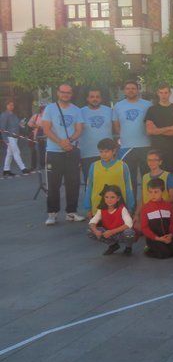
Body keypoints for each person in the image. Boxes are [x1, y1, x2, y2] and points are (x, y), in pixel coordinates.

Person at [42, 83, 85, 225]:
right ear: (58, 93)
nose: (65, 94)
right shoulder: (50, 108)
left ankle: (71, 213)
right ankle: (52, 214)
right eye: (63, 92)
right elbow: (46, 129)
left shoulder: (77, 110)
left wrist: (69, 141)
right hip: (54, 152)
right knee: (53, 184)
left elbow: (79, 129)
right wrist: (61, 142)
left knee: (73, 183)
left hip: (72, 151)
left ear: (71, 94)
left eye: (68, 92)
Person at [112, 80, 152, 193]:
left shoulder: (147, 105)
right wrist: (126, 136)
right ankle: (132, 206)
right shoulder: (118, 106)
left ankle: (146, 207)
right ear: (124, 90)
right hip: (127, 147)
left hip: (145, 146)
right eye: (128, 88)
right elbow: (116, 126)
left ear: (138, 90)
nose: (131, 90)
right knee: (129, 180)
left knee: (147, 178)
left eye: (133, 88)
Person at [139, 177, 173, 259]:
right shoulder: (145, 208)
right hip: (154, 238)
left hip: (167, 236)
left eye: (156, 192)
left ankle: (165, 246)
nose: (153, 194)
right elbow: (144, 228)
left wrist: (171, 235)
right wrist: (157, 238)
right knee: (164, 254)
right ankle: (148, 249)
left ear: (162, 192)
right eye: (150, 192)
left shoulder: (168, 206)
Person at [87, 184, 135, 255]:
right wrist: (96, 231)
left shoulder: (122, 209)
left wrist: (112, 232)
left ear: (118, 198)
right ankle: (113, 245)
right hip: (108, 234)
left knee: (129, 232)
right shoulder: (101, 209)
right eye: (106, 197)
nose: (109, 200)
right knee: (90, 231)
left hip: (120, 233)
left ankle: (128, 247)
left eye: (112, 197)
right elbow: (92, 222)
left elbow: (129, 224)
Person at [145, 84, 173, 174]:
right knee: (158, 181)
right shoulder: (151, 110)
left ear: (170, 93)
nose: (163, 95)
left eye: (166, 92)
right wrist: (171, 128)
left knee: (172, 180)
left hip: (172, 150)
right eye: (161, 93)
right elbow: (149, 131)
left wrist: (157, 130)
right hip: (157, 151)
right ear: (158, 94)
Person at [78, 89, 112, 181]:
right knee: (90, 184)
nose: (95, 99)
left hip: (107, 154)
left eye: (97, 97)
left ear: (101, 99)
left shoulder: (109, 111)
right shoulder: (80, 112)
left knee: (108, 184)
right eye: (92, 97)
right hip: (87, 154)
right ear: (87, 99)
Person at [1, 100, 29, 176]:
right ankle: (23, 169)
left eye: (12, 105)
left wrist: (21, 124)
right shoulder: (4, 115)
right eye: (10, 105)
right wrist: (5, 139)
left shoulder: (14, 115)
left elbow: (18, 125)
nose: (11, 106)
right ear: (6, 105)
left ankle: (6, 170)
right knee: (16, 152)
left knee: (9, 154)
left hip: (15, 137)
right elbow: (2, 128)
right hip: (10, 137)